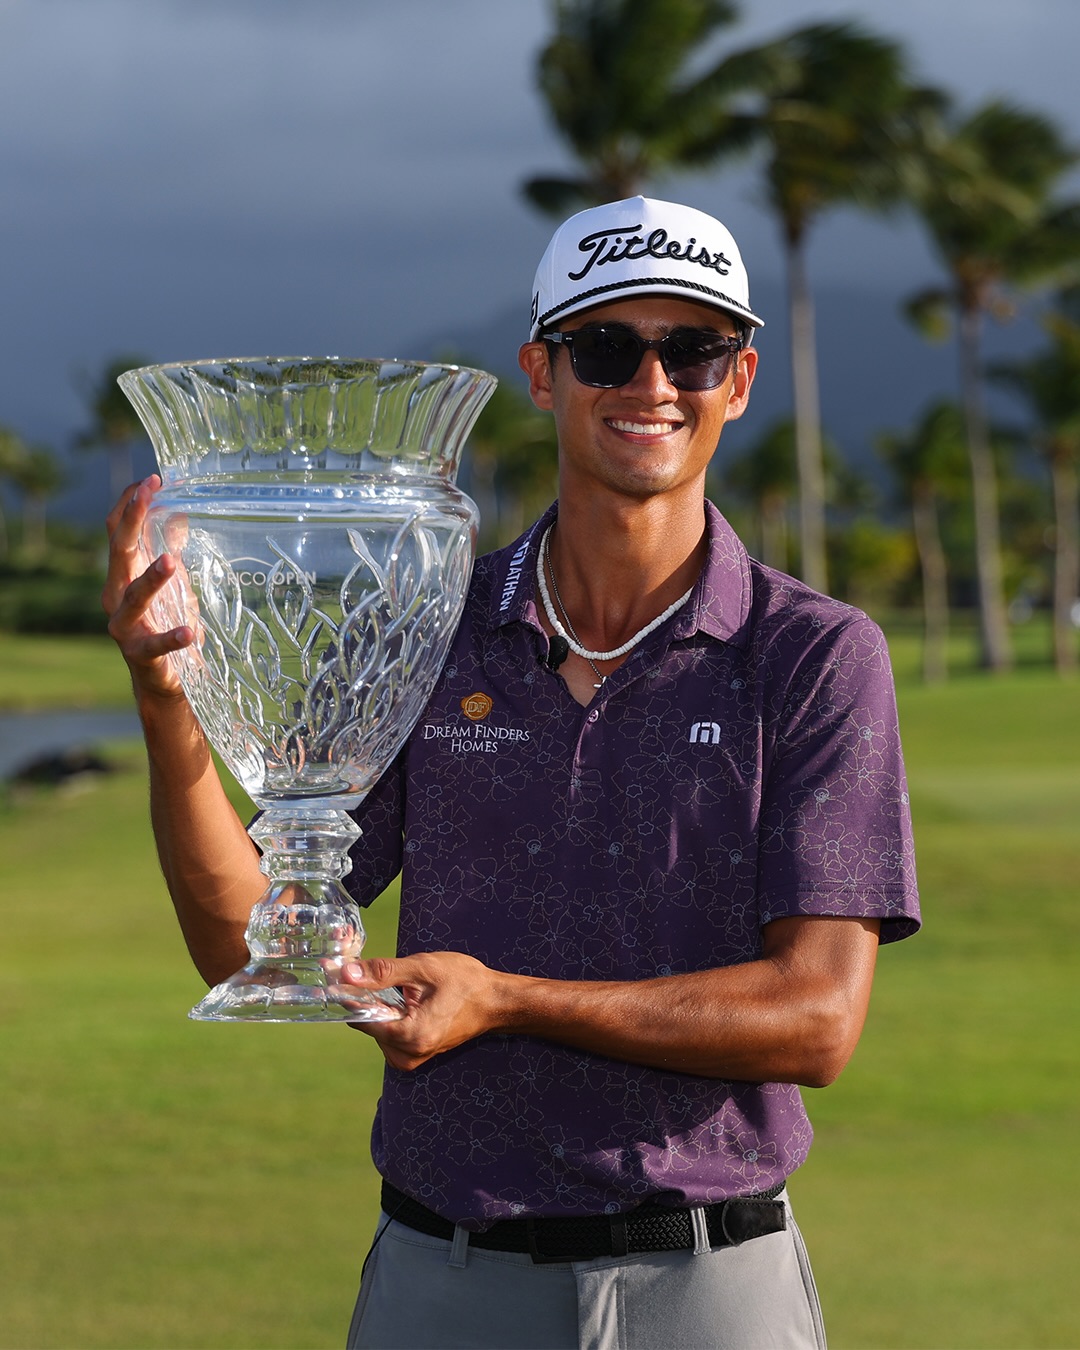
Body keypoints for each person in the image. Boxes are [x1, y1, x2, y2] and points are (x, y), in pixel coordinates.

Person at [104, 197, 920, 1350]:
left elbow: (818, 1019)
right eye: (606, 349)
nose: (651, 383)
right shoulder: (428, 627)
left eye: (691, 349)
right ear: (543, 372)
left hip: (710, 1286)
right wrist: (165, 705)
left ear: (738, 381)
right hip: (447, 1276)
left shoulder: (815, 655)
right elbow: (248, 937)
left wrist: (507, 1001)